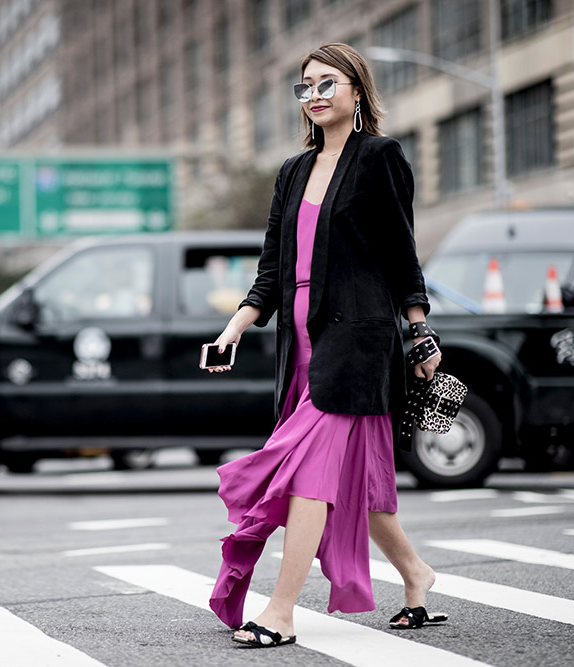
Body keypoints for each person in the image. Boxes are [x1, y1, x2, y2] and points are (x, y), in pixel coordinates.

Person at [206, 42, 448, 648]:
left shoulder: (379, 157)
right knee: (364, 490)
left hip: (358, 341)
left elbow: (400, 253)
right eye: (305, 86)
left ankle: (281, 611)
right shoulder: (291, 171)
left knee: (310, 476)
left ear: (357, 91)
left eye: (326, 84)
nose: (313, 95)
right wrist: (233, 328)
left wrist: (419, 331)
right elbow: (270, 271)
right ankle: (417, 576)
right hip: (302, 345)